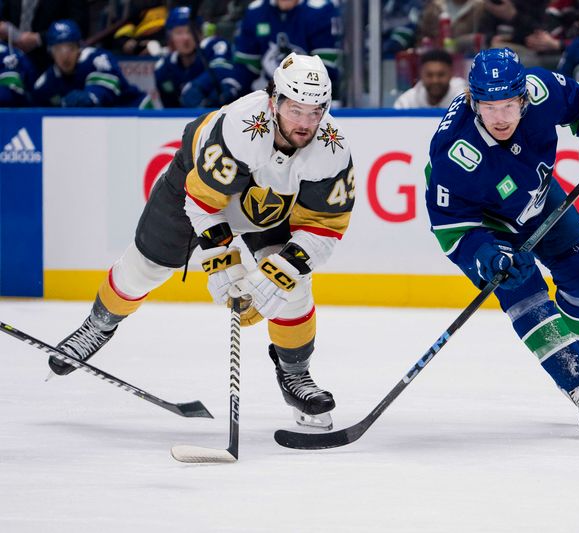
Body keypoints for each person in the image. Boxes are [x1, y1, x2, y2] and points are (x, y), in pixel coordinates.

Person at [48, 53, 355, 430]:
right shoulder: (241, 129)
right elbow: (204, 203)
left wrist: (280, 271)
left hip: (273, 200)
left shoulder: (333, 146)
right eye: (295, 109)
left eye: (315, 111)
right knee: (146, 267)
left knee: (292, 282)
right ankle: (99, 324)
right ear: (274, 101)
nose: (306, 123)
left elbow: (324, 226)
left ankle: (295, 374)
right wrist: (222, 261)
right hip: (196, 187)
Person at [424, 48, 579, 436]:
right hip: (485, 219)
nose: (500, 117)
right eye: (488, 106)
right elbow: (450, 225)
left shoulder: (541, 90)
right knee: (525, 293)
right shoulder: (455, 152)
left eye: (508, 105)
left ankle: (573, 356)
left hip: (536, 195)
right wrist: (485, 255)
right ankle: (578, 381)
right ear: (473, 101)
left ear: (524, 97)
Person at [230, 0, 342, 102]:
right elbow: (246, 66)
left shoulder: (320, 9)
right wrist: (231, 91)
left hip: (312, 98)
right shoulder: (256, 11)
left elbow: (326, 69)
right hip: (268, 96)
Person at [31, 20, 152, 108]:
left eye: (70, 48)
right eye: (58, 49)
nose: (65, 55)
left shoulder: (96, 60)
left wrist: (91, 96)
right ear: (50, 52)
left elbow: (105, 91)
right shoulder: (45, 84)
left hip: (136, 112)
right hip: (100, 127)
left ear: (79, 48)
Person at [154, 6, 236, 108]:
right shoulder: (163, 68)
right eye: (179, 32)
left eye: (190, 31)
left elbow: (222, 69)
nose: (186, 38)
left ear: (199, 33)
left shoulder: (213, 46)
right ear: (170, 37)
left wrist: (197, 86)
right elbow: (170, 110)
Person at [0, 0, 89, 72]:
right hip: (11, 52)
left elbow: (80, 26)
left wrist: (38, 38)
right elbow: (4, 15)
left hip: (50, 58)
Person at [393, 49, 467, 109]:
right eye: (429, 75)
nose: (435, 80)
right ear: (421, 74)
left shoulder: (465, 100)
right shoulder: (407, 102)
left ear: (451, 73)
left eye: (441, 75)